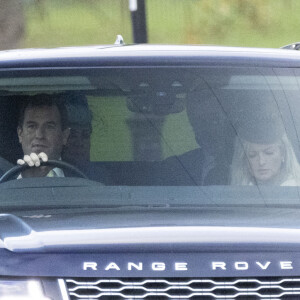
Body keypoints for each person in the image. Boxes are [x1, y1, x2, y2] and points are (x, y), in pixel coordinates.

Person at [230, 117, 300, 186]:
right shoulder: (239, 190)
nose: (261, 162)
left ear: (283, 154)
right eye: (252, 155)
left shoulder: (294, 188)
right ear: (245, 160)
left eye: (269, 153)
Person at [16, 95, 70, 178]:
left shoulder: (85, 179)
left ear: (64, 136)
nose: (39, 135)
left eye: (49, 127)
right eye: (32, 126)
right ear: (20, 134)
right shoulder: (4, 181)